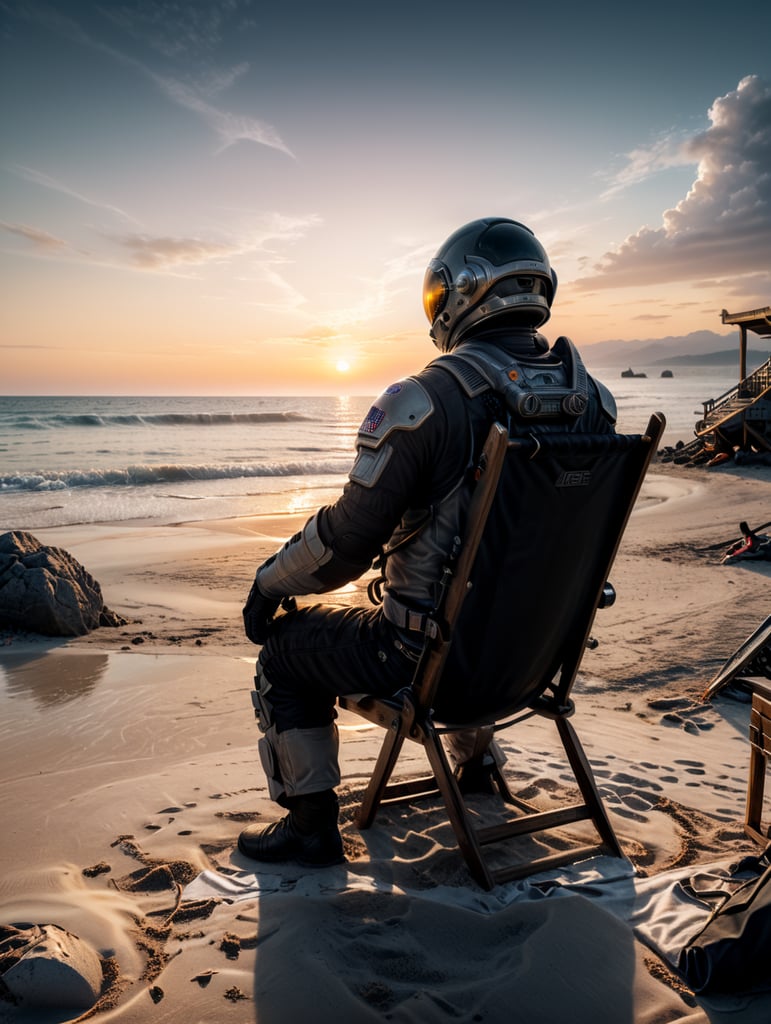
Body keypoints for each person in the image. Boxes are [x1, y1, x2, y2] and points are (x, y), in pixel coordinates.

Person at [238, 217, 617, 867]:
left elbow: (347, 543)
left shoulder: (425, 400)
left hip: (428, 666)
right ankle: (475, 769)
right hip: (532, 662)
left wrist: (269, 581)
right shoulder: (595, 403)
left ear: (463, 291)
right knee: (479, 604)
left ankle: (309, 824)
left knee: (283, 652)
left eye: (436, 297)